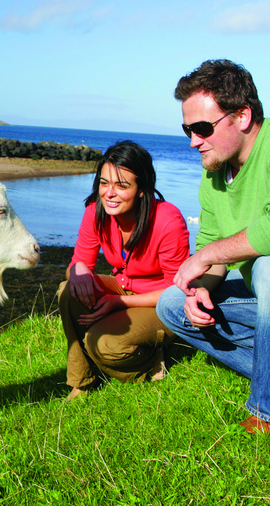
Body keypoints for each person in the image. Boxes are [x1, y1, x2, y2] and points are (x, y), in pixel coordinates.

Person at [156, 59, 270, 433]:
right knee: (172, 305)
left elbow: (213, 250)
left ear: (242, 116)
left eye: (203, 128)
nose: (193, 141)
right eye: (188, 129)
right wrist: (200, 289)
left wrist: (205, 256)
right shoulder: (214, 174)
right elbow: (213, 247)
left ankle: (264, 412)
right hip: (261, 299)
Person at [59, 140, 190, 400]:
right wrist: (78, 271)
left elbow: (177, 291)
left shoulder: (168, 221)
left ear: (141, 189)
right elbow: (78, 262)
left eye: (122, 185)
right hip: (124, 291)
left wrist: (117, 302)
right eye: (104, 182)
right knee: (68, 289)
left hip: (161, 304)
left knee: (105, 345)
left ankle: (153, 357)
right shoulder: (95, 212)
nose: (109, 193)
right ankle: (82, 380)